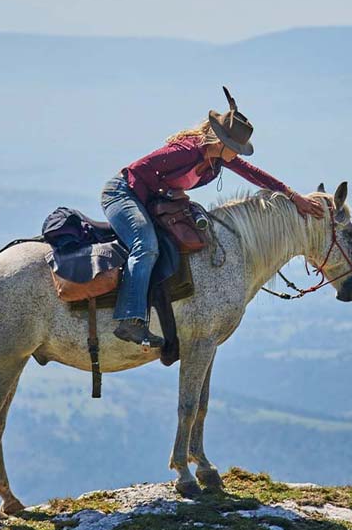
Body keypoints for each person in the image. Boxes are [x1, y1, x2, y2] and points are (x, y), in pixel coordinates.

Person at [102, 87, 325, 348]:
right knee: (147, 245)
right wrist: (161, 198)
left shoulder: (219, 160)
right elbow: (138, 171)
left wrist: (292, 195)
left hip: (148, 199)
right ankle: (130, 319)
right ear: (222, 143)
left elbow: (255, 174)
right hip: (124, 194)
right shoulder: (184, 152)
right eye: (236, 149)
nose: (238, 154)